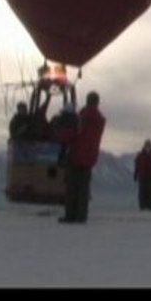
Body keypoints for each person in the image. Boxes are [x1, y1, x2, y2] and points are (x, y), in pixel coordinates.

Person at [60, 91, 105, 224]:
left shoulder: (82, 117)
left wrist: (62, 137)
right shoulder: (100, 120)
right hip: (90, 157)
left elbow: (73, 134)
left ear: (88, 101)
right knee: (84, 188)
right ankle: (81, 215)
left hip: (76, 155)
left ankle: (70, 215)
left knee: (72, 187)